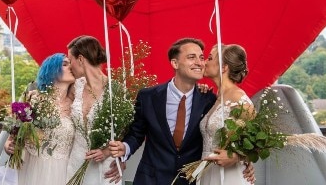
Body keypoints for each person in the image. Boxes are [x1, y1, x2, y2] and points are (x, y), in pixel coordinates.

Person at [108, 38, 252, 185]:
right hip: (150, 179)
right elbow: (136, 134)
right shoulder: (148, 97)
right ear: (175, 63)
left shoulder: (209, 99)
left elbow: (237, 135)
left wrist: (240, 158)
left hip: (192, 180)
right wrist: (124, 149)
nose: (200, 62)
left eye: (202, 58)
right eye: (191, 57)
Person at [3, 53, 76, 185]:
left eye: (70, 64)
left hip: (65, 172)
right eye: (65, 64)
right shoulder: (33, 98)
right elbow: (14, 134)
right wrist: (9, 145)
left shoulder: (75, 105)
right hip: (33, 169)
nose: (70, 67)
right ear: (52, 71)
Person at [65, 35, 119, 185]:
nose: (69, 66)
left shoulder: (116, 91)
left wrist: (109, 152)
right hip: (75, 163)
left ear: (81, 59)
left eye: (70, 61)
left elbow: (126, 132)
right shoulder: (74, 87)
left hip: (105, 168)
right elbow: (60, 111)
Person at [197, 44, 253, 185]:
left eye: (209, 58)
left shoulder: (239, 98)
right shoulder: (214, 97)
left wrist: (237, 157)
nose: (204, 62)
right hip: (207, 173)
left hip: (229, 176)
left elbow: (257, 139)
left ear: (224, 67)